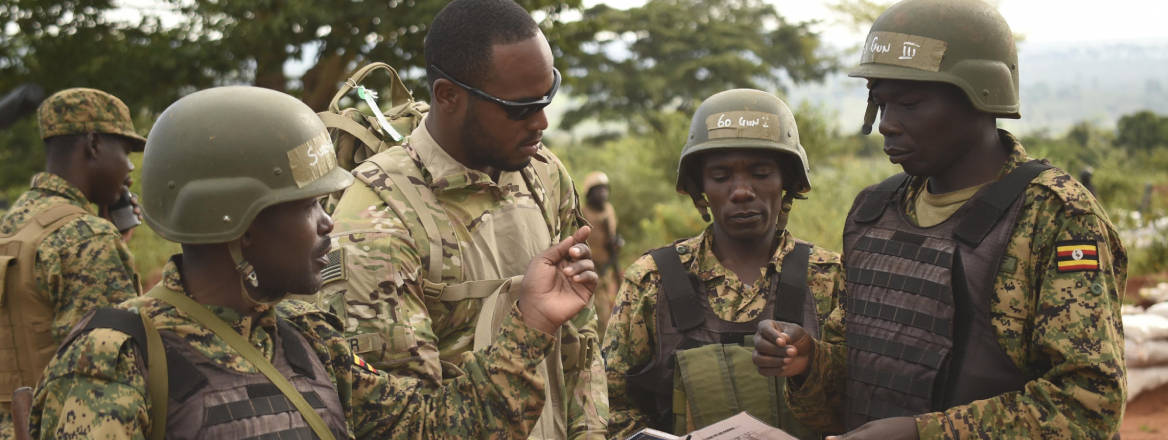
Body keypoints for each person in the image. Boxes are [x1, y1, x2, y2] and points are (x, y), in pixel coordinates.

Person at [29, 85, 600, 439]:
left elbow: (442, 426)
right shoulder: (116, 356)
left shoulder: (309, 337)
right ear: (242, 226)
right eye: (305, 206)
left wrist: (532, 324)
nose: (329, 222)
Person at [751, 0, 1128, 438]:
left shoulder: (1054, 217)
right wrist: (808, 363)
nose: (887, 125)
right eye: (880, 102)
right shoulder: (874, 213)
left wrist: (922, 434)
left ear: (981, 96)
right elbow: (859, 383)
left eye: (910, 103)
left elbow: (1088, 406)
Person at [316, 0, 607, 438]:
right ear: (448, 96)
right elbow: (403, 424)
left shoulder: (543, 174)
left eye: (548, 97)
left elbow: (580, 346)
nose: (542, 121)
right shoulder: (377, 218)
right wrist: (529, 327)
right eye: (519, 107)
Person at [604, 89, 844, 439]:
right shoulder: (652, 280)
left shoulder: (830, 278)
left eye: (761, 173)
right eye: (721, 176)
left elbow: (859, 401)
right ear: (700, 188)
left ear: (787, 184)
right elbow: (608, 407)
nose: (742, 191)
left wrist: (809, 364)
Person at [1, 88, 143, 438]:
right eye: (124, 151)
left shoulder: (13, 222)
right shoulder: (88, 239)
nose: (129, 167)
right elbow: (105, 386)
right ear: (93, 144)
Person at [580, 171, 622, 336]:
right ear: (590, 193)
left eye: (605, 189)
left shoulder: (609, 210)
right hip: (590, 268)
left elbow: (612, 235)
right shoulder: (583, 213)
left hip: (607, 266)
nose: (603, 194)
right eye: (598, 190)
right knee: (599, 311)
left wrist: (617, 243)